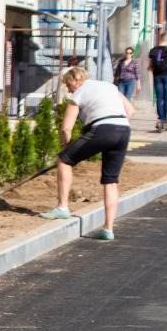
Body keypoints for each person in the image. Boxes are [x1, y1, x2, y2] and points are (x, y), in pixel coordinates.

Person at [40, 66, 135, 241]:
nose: (68, 90)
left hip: (103, 128)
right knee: (111, 181)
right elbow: (130, 111)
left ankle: (62, 207)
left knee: (64, 161)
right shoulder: (109, 86)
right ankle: (108, 229)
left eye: (68, 85)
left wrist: (66, 149)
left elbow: (66, 127)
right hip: (123, 130)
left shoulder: (78, 93)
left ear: (74, 81)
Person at [146, 34, 167, 132]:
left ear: (159, 39)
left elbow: (150, 66)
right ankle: (165, 119)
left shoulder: (153, 50)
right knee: (166, 98)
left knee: (159, 98)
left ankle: (160, 118)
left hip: (157, 76)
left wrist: (153, 70)